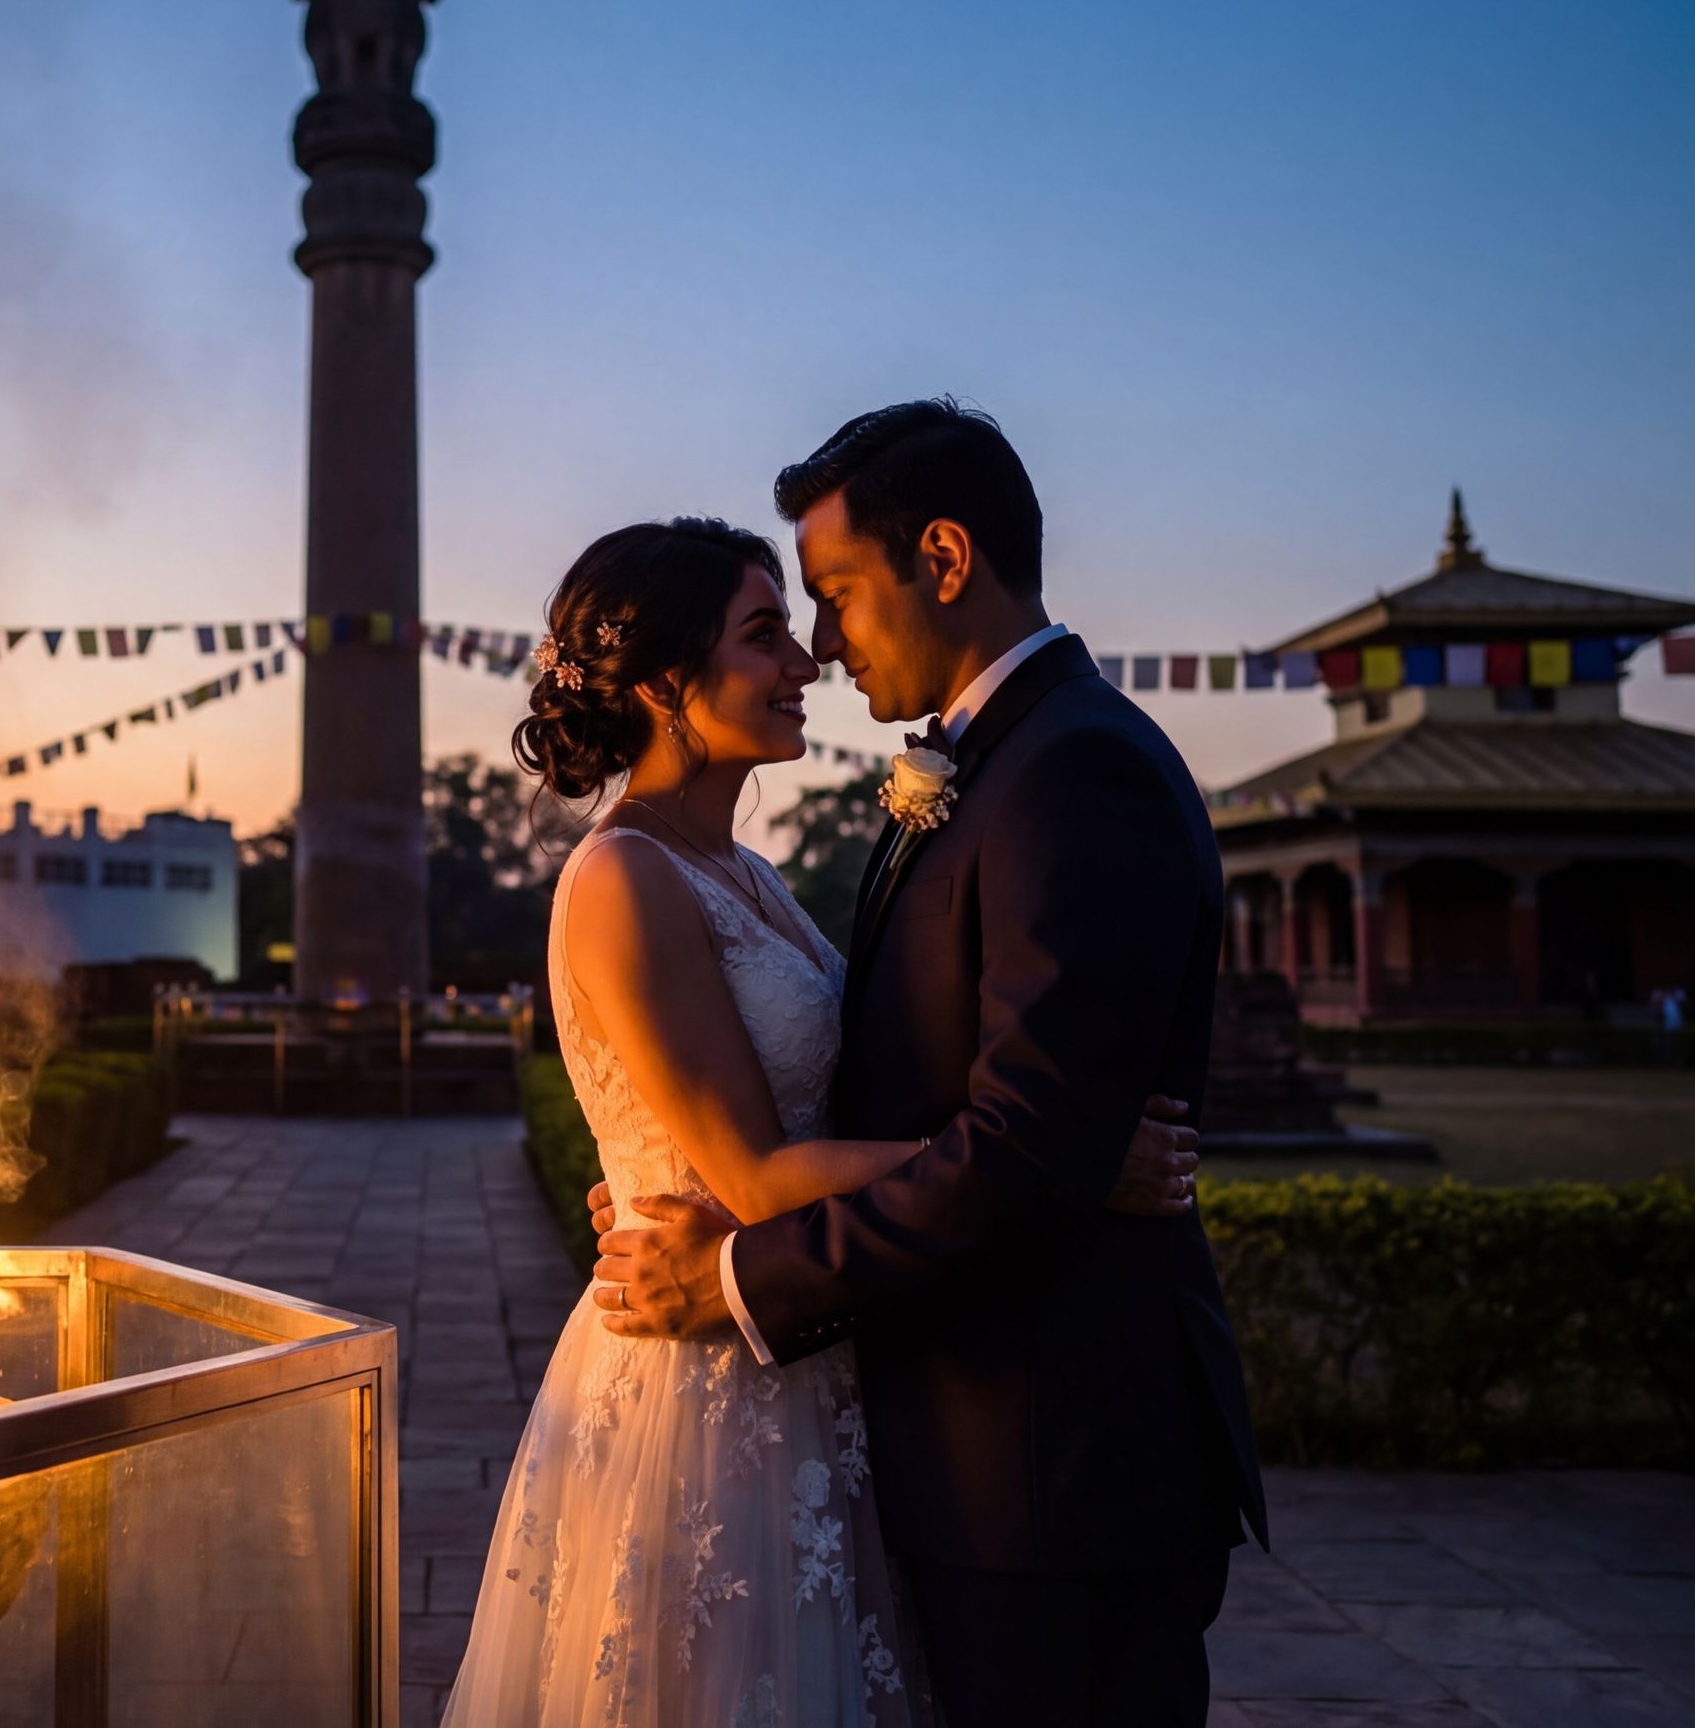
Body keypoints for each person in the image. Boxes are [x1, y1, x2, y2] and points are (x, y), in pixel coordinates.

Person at [439, 508, 1202, 1727]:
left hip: (812, 1351)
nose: (808, 665)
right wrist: (1065, 1165)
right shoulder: (623, 875)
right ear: (666, 685)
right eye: (766, 636)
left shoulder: (745, 872)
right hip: (705, 1388)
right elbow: (752, 1168)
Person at [590, 404, 1268, 1727]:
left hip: (1051, 1466)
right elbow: (926, 1102)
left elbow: (1023, 1153)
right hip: (967, 1453)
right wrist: (683, 1175)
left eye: (837, 594)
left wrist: (733, 1271)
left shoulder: (1075, 773)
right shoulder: (1003, 762)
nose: (823, 641)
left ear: (944, 559)